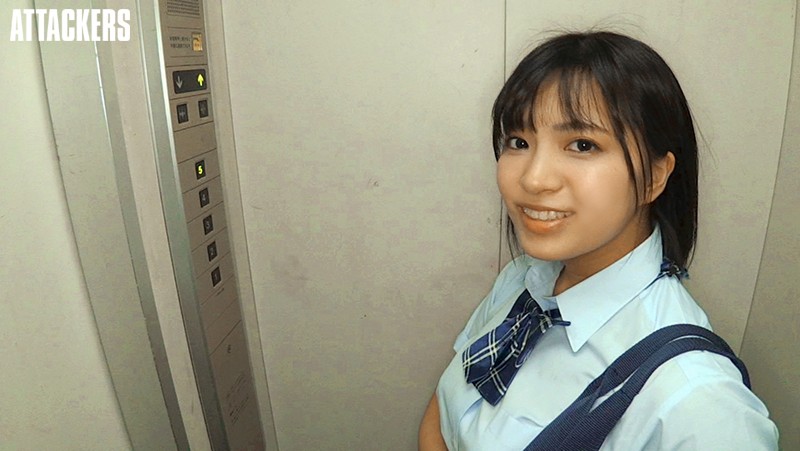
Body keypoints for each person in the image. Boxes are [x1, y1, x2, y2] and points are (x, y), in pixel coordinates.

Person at [418, 31, 779, 450]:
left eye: (582, 145)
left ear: (654, 177)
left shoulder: (698, 404)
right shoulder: (522, 278)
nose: (533, 179)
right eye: (519, 142)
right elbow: (446, 405)